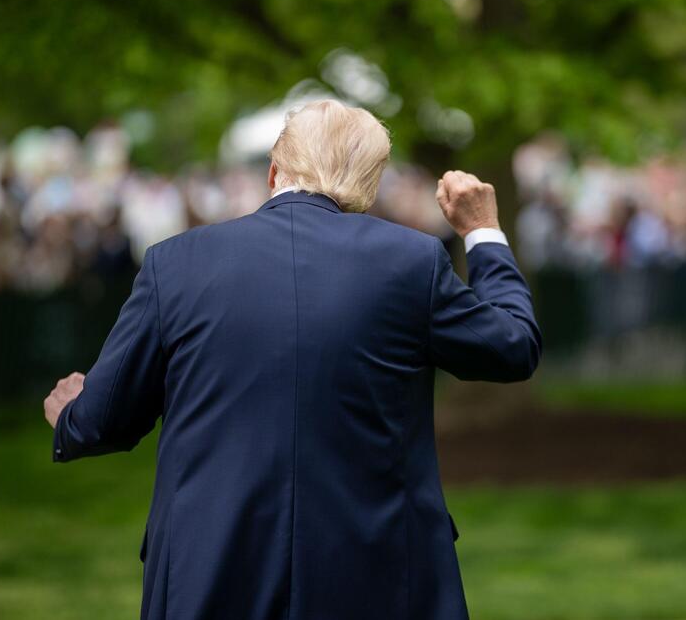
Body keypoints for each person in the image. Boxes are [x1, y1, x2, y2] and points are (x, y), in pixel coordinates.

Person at [43, 99, 542, 620]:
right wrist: (482, 230)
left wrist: (73, 412)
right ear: (369, 184)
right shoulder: (411, 262)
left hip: (209, 572)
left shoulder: (175, 264)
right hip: (376, 573)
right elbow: (512, 346)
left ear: (274, 170)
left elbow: (102, 421)